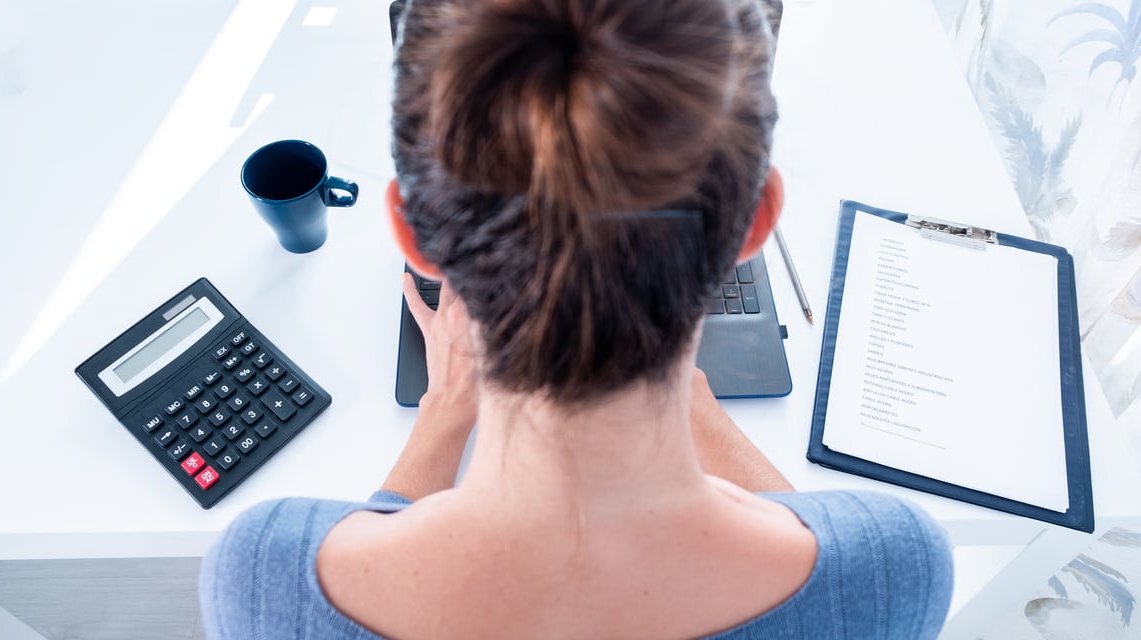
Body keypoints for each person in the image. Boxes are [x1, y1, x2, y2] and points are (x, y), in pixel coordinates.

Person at [199, 0, 954, 637]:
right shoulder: (898, 565)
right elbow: (836, 566)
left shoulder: (264, 577)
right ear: (753, 225)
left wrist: (438, 424)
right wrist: (690, 413)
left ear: (414, 236)